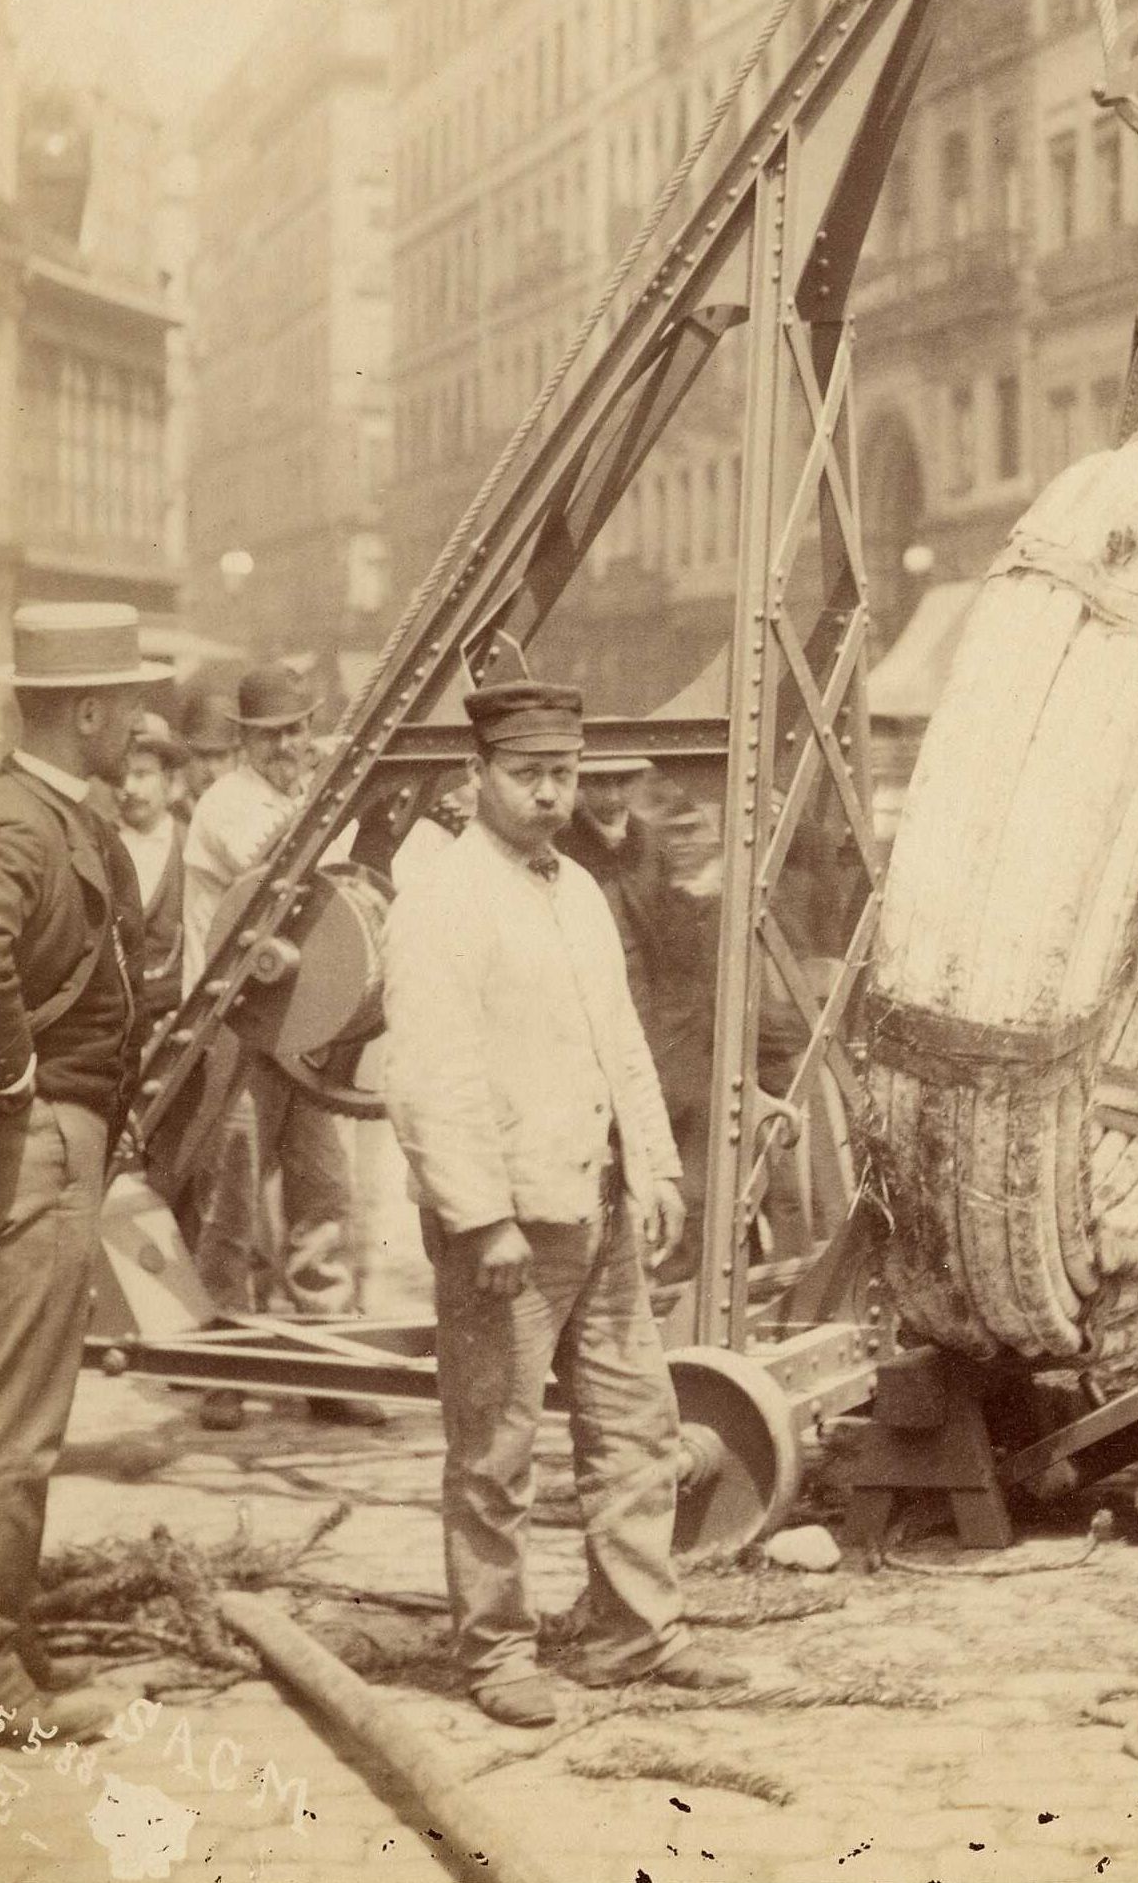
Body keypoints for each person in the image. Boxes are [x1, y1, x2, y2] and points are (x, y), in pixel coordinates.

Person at [381, 681, 746, 1730]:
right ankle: (496, 1651)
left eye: (565, 775)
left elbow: (618, 1040)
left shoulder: (577, 890)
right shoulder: (444, 900)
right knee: (494, 1448)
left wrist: (657, 1166)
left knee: (634, 1426)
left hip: (602, 1203)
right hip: (508, 1227)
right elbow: (428, 1077)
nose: (550, 795)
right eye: (529, 775)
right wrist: (480, 1217)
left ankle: (637, 1632)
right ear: (475, 777)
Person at [0, 604, 167, 1747]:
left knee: (20, 1415)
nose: (143, 720)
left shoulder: (62, 814)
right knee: (16, 1422)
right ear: (89, 710)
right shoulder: (17, 823)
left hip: (62, 1132)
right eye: (132, 702)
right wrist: (13, 1087)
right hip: (44, 1138)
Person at [182, 661, 371, 1427]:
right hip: (234, 1027)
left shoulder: (310, 799)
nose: (290, 745)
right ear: (246, 740)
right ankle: (225, 1369)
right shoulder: (226, 804)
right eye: (273, 735)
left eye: (298, 729)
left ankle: (327, 1365)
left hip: (302, 1027)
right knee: (232, 1201)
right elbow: (273, 864)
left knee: (322, 1195)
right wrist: (325, 787)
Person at [558, 752, 711, 1257]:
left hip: (650, 1014)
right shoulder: (561, 843)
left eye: (623, 782)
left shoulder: (649, 844)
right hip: (586, 1011)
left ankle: (666, 1261)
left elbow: (672, 939)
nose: (611, 796)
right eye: (598, 783)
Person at [116, 715, 186, 1026]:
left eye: (142, 774)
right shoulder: (96, 847)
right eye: (122, 776)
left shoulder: (191, 846)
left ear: (169, 780)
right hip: (113, 1024)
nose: (129, 788)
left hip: (174, 1018)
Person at [174, 690, 240, 822]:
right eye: (202, 756)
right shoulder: (168, 822)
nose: (211, 769)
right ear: (183, 758)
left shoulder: (253, 819)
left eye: (221, 757)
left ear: (237, 759)